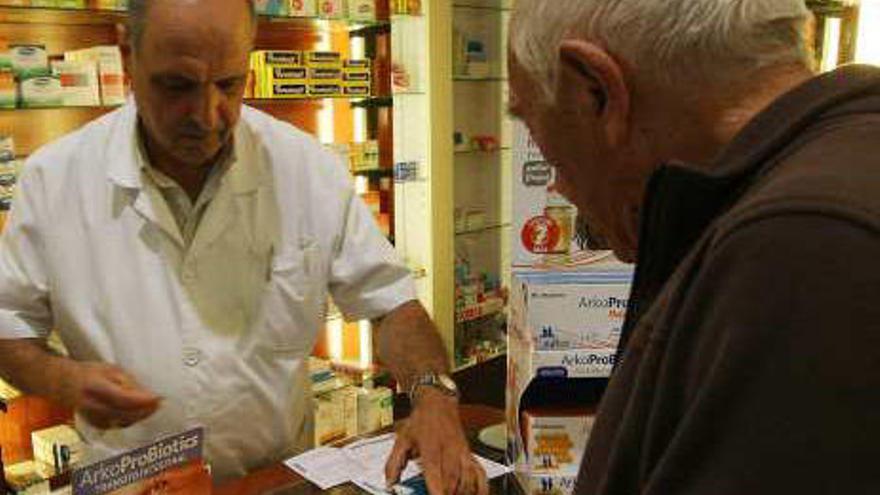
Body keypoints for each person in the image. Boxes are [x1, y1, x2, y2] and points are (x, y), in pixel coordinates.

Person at [0, 1, 488, 493]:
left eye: (229, 84)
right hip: (130, 484)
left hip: (272, 479)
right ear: (128, 57)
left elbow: (392, 303)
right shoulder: (53, 181)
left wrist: (433, 395)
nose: (206, 116)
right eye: (178, 86)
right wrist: (64, 381)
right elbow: (8, 330)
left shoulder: (305, 169)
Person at [508, 1, 880, 493]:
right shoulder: (830, 178)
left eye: (535, 128)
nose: (558, 185)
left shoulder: (803, 246)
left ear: (595, 93)